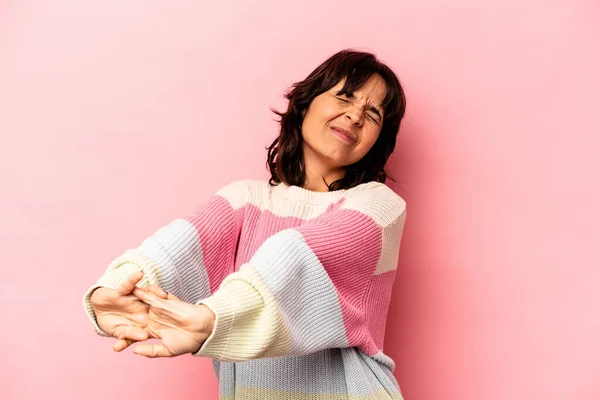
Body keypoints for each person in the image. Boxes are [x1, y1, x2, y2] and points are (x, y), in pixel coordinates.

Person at [83, 48, 408, 399]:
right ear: (307, 102)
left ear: (378, 140)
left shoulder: (380, 207)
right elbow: (175, 248)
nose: (356, 116)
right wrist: (117, 290)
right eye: (344, 97)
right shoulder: (245, 200)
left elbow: (298, 255)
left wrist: (212, 318)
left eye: (373, 114)